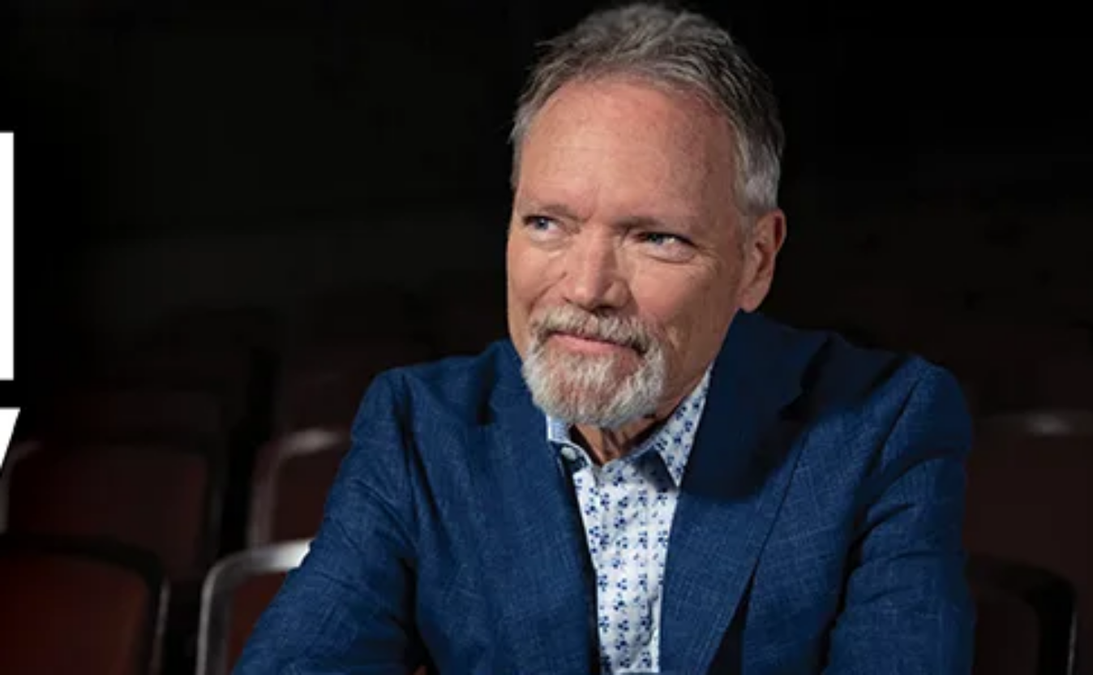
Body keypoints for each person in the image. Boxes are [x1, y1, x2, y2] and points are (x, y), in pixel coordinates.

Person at [236, 3, 974, 673]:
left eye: (654, 237)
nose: (587, 287)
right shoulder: (419, 428)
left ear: (757, 260)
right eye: (547, 223)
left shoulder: (883, 427)